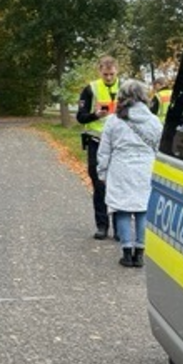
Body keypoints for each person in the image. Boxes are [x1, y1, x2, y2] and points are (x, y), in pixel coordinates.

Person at [97, 79, 162, 267]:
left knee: (123, 210)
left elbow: (104, 150)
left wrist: (102, 172)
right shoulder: (154, 121)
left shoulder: (113, 121)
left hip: (120, 169)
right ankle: (140, 253)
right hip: (145, 169)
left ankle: (126, 253)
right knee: (143, 210)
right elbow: (159, 148)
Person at [76, 55, 120, 240]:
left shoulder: (125, 88)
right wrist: (96, 115)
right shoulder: (90, 89)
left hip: (119, 143)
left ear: (117, 71)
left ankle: (121, 228)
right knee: (99, 184)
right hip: (97, 141)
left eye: (111, 74)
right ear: (99, 71)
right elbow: (80, 117)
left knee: (119, 184)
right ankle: (102, 226)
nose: (108, 77)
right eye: (105, 74)